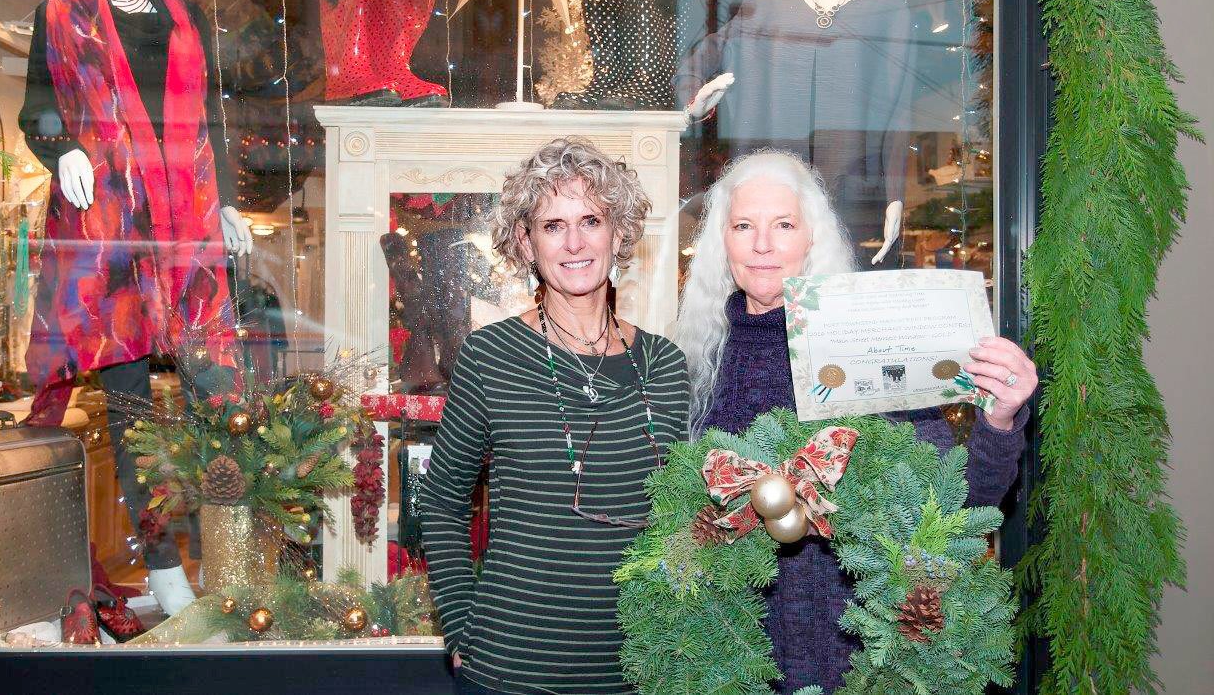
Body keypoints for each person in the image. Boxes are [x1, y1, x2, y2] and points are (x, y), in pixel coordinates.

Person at [674, 150, 1035, 693]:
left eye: (784, 225)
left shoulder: (864, 343)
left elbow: (963, 502)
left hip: (857, 657)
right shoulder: (692, 360)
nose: (762, 244)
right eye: (743, 225)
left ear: (812, 238)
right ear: (721, 242)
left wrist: (1000, 420)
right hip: (724, 655)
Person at [422, 137, 691, 695]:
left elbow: (684, 515)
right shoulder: (490, 356)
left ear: (618, 232)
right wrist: (460, 624)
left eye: (591, 220)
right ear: (526, 242)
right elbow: (442, 500)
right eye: (552, 226)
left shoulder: (665, 363)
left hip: (642, 669)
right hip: (511, 668)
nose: (574, 243)